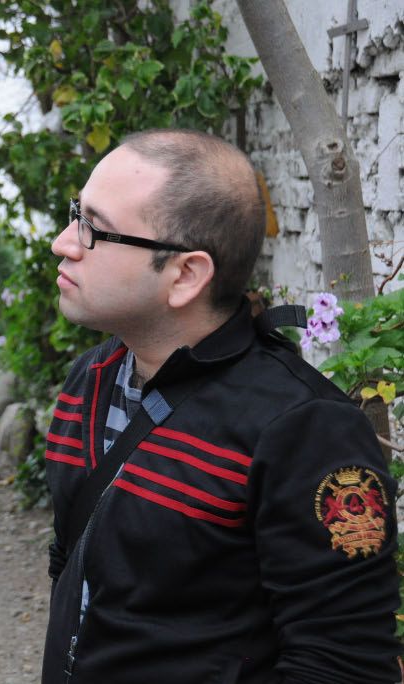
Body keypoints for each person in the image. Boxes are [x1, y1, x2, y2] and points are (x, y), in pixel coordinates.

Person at [41, 129, 399, 683]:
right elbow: (75, 571)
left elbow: (343, 664)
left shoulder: (303, 431)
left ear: (186, 275)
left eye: (94, 228)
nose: (63, 243)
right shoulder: (90, 379)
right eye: (75, 214)